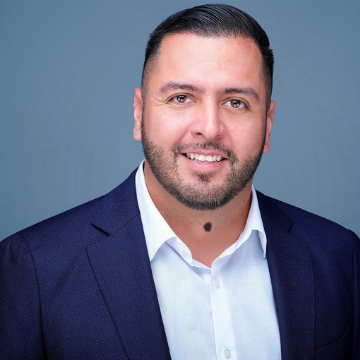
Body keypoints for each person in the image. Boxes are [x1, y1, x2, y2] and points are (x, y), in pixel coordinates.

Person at [0, 3, 359, 359]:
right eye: (181, 97)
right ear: (139, 113)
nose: (209, 127)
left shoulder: (341, 257)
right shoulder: (34, 267)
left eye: (236, 103)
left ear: (267, 124)